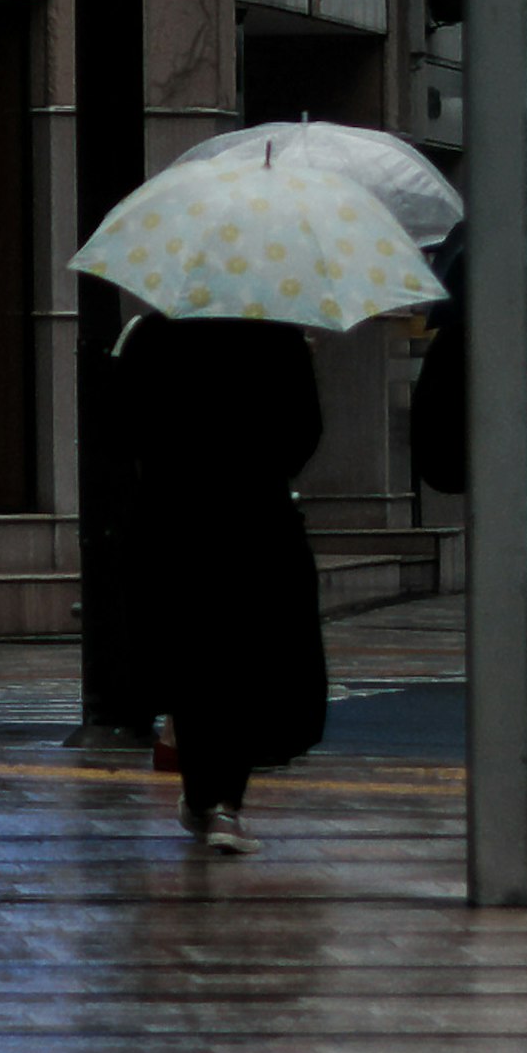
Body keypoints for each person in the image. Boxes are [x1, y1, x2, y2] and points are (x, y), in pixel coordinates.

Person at [121, 310, 330, 852]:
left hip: (173, 518)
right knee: (243, 657)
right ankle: (224, 804)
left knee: (190, 656)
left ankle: (201, 792)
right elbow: (303, 436)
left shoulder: (153, 334)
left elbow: (124, 424)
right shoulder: (277, 336)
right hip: (253, 520)